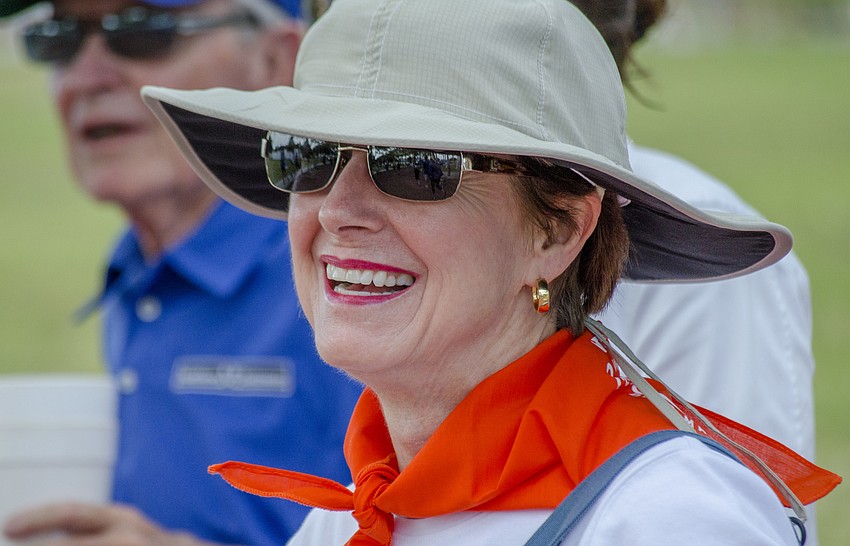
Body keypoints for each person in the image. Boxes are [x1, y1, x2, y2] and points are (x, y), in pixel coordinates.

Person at [141, 0, 840, 544]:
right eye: (308, 155)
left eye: (416, 166)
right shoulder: (352, 517)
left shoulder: (666, 521)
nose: (338, 211)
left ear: (559, 229)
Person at [0, 1, 361, 545]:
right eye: (57, 38)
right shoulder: (139, 269)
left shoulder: (348, 281)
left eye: (143, 32)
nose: (86, 76)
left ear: (277, 62)